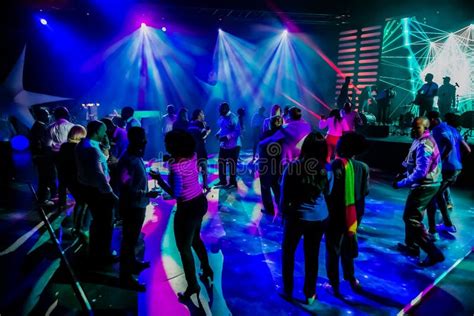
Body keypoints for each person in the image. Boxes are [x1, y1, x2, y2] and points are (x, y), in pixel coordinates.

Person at [150, 130, 213, 301]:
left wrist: (159, 179)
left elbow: (175, 194)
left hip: (187, 208)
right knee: (196, 239)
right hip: (200, 201)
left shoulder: (175, 166)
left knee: (184, 249)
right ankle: (207, 268)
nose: (165, 145)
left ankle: (193, 286)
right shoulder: (192, 155)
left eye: (167, 143)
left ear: (173, 146)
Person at [280, 132, 329, 305]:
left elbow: (284, 196)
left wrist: (283, 215)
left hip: (297, 217)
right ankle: (310, 294)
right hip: (319, 217)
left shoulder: (293, 167)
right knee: (312, 255)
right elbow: (327, 193)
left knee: (288, 253)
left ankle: (288, 290)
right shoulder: (326, 168)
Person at [394, 117, 444, 266]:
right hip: (425, 184)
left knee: (411, 219)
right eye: (412, 127)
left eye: (417, 128)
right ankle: (411, 246)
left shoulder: (424, 144)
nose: (413, 130)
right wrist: (402, 169)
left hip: (425, 185)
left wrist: (401, 183)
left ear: (426, 129)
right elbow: (409, 157)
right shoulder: (419, 140)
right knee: (411, 216)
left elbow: (420, 172)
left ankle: (434, 253)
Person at [325, 132, 369, 297]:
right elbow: (364, 193)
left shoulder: (334, 166)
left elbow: (327, 192)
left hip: (335, 215)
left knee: (333, 249)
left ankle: (334, 284)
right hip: (353, 216)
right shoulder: (363, 167)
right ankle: (351, 278)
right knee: (348, 247)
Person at [117, 127, 159, 291]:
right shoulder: (128, 159)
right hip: (132, 206)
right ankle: (125, 277)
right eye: (143, 139)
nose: (146, 141)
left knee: (132, 239)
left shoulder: (135, 156)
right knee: (128, 240)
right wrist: (146, 192)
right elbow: (125, 186)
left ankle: (133, 264)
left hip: (138, 204)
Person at [76, 120, 118, 265]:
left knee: (98, 222)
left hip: (88, 188)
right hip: (99, 191)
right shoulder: (91, 149)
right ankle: (103, 255)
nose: (105, 133)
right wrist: (111, 194)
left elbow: (99, 162)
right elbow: (99, 174)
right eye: (103, 131)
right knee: (105, 223)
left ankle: (96, 251)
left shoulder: (83, 145)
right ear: (96, 131)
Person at [426, 111, 471, 239]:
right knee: (439, 195)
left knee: (431, 197)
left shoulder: (438, 129)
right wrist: (456, 160)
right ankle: (448, 224)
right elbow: (467, 149)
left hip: (445, 169)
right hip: (456, 168)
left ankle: (432, 232)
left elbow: (448, 144)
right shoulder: (453, 129)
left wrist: (441, 161)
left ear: (433, 119)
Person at [58, 125, 90, 240]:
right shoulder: (80, 147)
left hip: (68, 179)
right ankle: (78, 228)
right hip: (78, 179)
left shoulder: (64, 146)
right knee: (82, 203)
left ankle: (76, 227)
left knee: (80, 202)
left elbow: (61, 164)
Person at [48, 106, 74, 206]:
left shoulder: (50, 127)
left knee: (61, 177)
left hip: (56, 155)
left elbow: (47, 145)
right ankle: (75, 198)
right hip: (70, 154)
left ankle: (62, 200)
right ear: (66, 114)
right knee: (72, 175)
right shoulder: (72, 126)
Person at [29, 108, 55, 206]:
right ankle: (43, 199)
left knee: (45, 177)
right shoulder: (40, 127)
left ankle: (44, 197)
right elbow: (40, 144)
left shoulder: (38, 126)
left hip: (42, 157)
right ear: (41, 116)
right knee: (45, 178)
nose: (48, 117)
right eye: (47, 114)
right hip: (44, 157)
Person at [259, 115, 283, 216]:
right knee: (277, 188)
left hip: (266, 166)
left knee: (265, 189)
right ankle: (281, 209)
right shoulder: (284, 135)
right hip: (278, 165)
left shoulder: (266, 134)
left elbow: (261, 147)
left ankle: (269, 210)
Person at [216, 102, 241, 188]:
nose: (220, 113)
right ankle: (222, 181)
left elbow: (237, 131)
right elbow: (222, 128)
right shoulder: (222, 117)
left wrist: (227, 137)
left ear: (225, 109)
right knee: (221, 163)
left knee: (232, 164)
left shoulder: (233, 117)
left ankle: (233, 182)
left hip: (232, 145)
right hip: (223, 145)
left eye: (221, 110)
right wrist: (218, 133)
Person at [188, 109, 211, 192]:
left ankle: (195, 187)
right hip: (200, 149)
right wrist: (208, 131)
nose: (204, 115)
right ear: (199, 115)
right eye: (202, 113)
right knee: (204, 168)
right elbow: (203, 135)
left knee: (195, 169)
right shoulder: (200, 124)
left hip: (193, 149)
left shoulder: (190, 123)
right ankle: (205, 185)